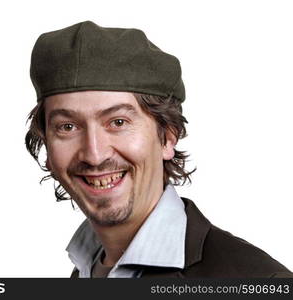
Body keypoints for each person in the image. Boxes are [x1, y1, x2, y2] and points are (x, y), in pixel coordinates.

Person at [25, 21, 292, 278]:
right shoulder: (86, 266)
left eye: (118, 122)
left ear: (167, 137)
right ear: (47, 147)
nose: (94, 155)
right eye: (67, 127)